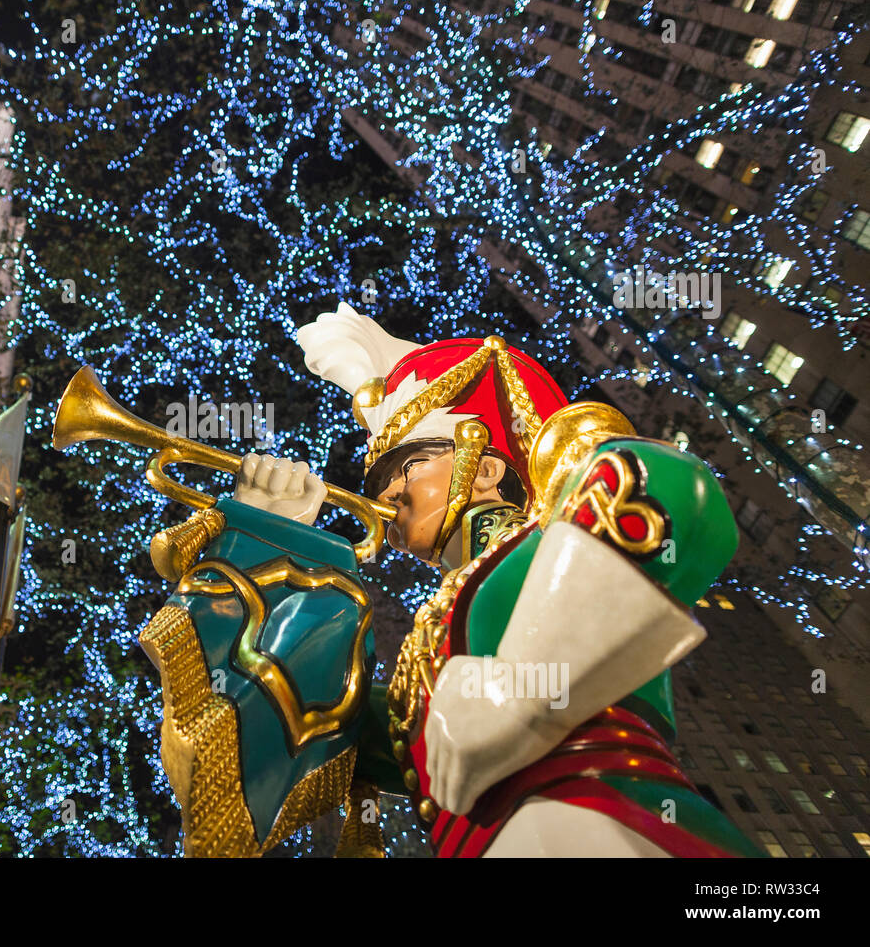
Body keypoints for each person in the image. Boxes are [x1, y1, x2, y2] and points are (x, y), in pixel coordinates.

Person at [138, 302, 760, 857]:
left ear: (485, 469)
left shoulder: (546, 548)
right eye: (379, 485)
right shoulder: (424, 652)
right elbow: (284, 737)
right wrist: (268, 536)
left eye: (408, 467)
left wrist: (522, 692)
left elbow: (670, 484)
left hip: (622, 828)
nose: (389, 494)